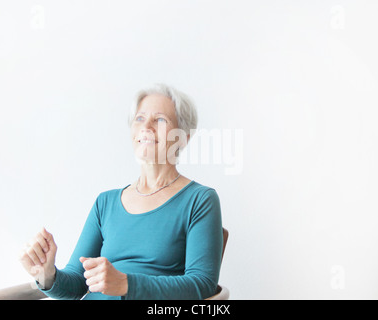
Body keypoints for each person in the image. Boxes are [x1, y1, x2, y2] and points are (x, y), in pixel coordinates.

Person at [19, 84, 224, 300]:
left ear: (183, 137)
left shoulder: (200, 200)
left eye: (160, 119)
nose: (146, 127)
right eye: (139, 118)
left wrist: (127, 284)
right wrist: (46, 275)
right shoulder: (105, 203)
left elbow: (202, 284)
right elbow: (76, 285)